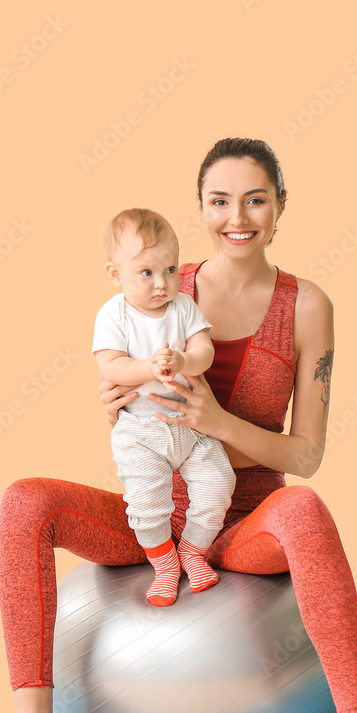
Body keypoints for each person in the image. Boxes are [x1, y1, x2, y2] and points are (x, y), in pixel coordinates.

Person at [0, 137, 357, 713]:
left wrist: (217, 420)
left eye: (255, 198)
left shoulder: (307, 306)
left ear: (280, 206)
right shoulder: (162, 279)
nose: (238, 215)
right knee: (25, 502)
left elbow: (306, 453)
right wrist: (116, 392)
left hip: (244, 523)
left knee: (306, 507)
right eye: (219, 200)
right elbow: (117, 371)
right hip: (150, 514)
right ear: (199, 208)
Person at [93, 206, 236, 605]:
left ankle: (192, 550)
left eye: (171, 270)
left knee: (219, 483)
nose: (162, 283)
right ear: (115, 275)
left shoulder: (183, 308)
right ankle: (165, 564)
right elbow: (110, 365)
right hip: (140, 430)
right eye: (147, 273)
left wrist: (185, 362)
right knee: (146, 503)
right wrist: (147, 366)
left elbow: (203, 351)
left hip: (188, 424)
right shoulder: (113, 314)